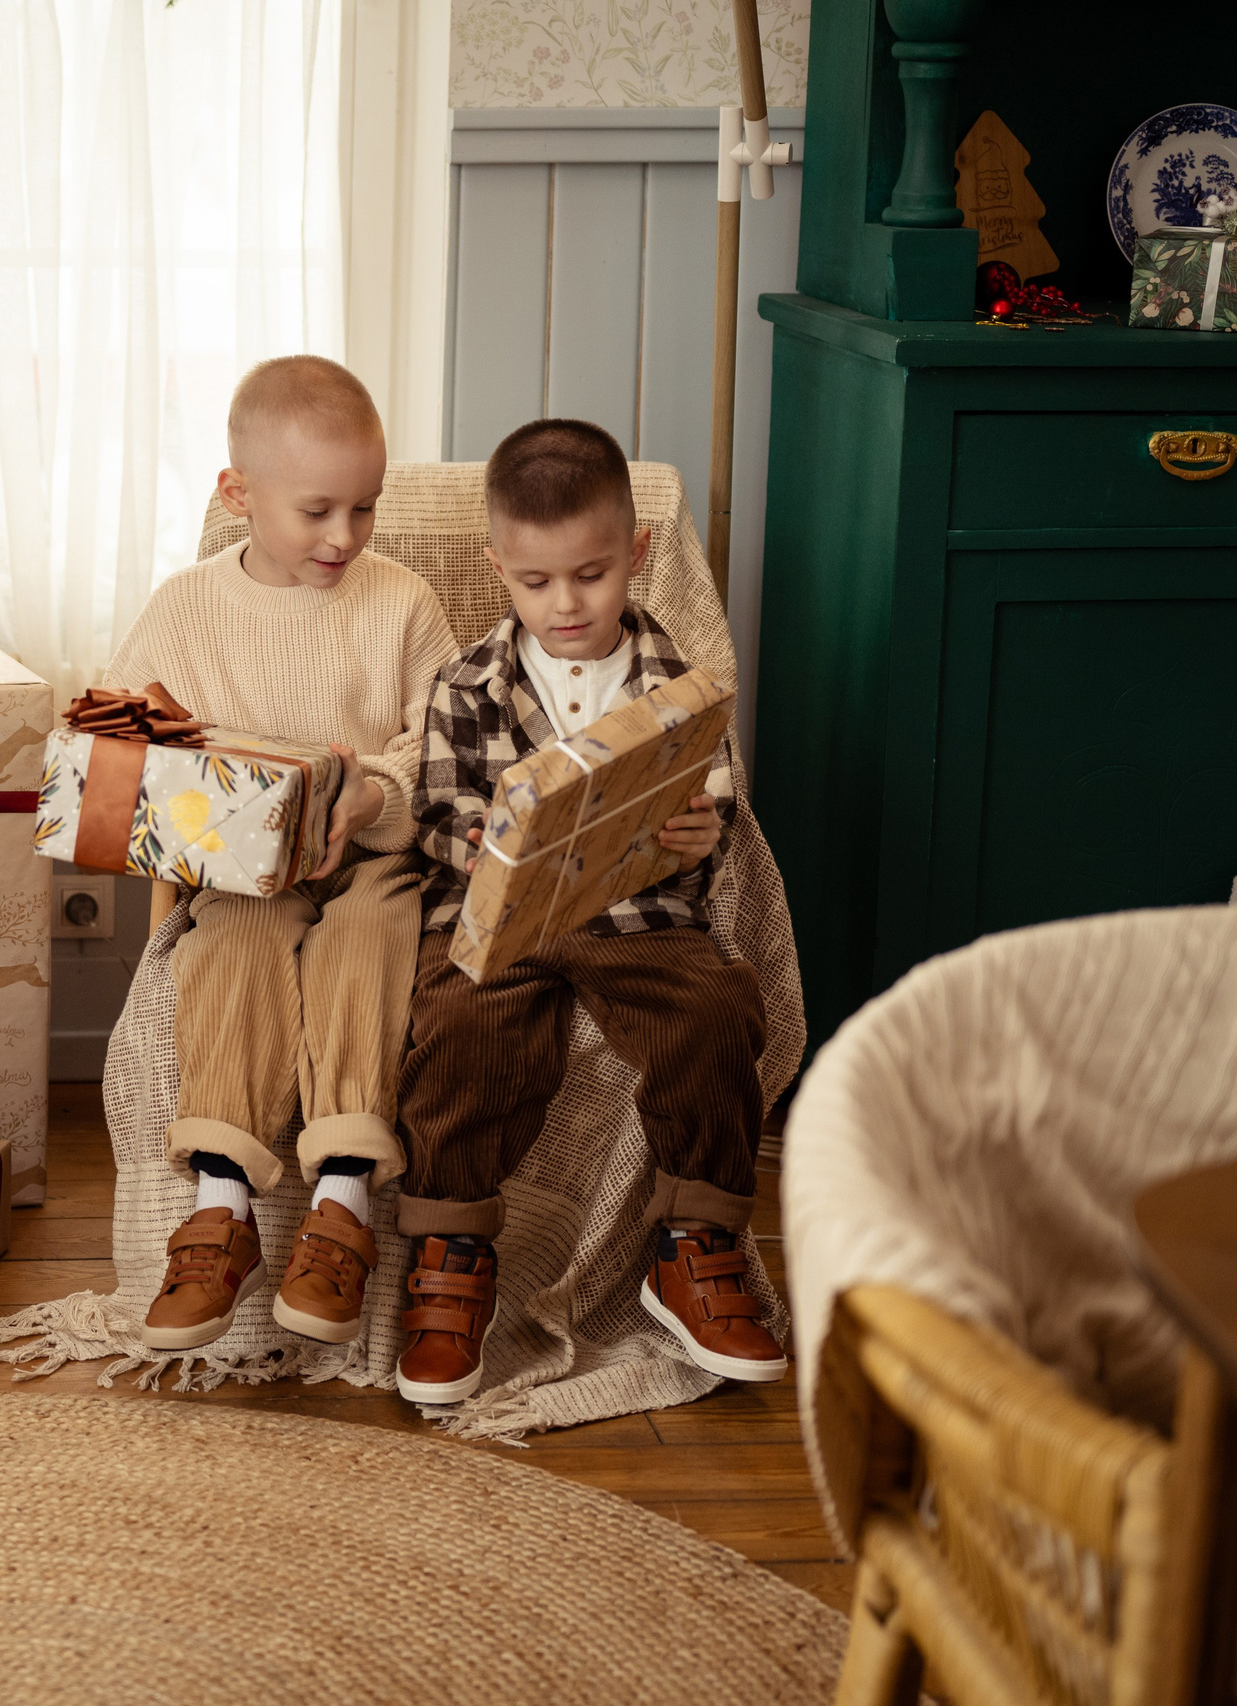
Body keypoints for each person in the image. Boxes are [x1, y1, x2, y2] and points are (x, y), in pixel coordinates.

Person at [394, 418, 785, 1405]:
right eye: (536, 582)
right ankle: (449, 1249)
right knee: (453, 1024)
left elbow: (716, 794)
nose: (565, 603)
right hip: (503, 920)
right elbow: (436, 806)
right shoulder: (467, 682)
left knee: (715, 1010)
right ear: (499, 569)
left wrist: (703, 828)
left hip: (639, 916)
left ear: (636, 557)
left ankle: (694, 1241)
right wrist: (484, 840)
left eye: (591, 574)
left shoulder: (679, 682)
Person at [107, 355, 459, 1353]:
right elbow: (117, 742)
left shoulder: (402, 602)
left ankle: (341, 1197)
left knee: (366, 936)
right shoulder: (183, 606)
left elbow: (441, 745)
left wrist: (375, 794)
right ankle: (220, 1210)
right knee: (227, 949)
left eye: (365, 507)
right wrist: (198, 783)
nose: (343, 536)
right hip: (241, 871)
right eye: (316, 511)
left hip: (373, 858)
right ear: (238, 495)